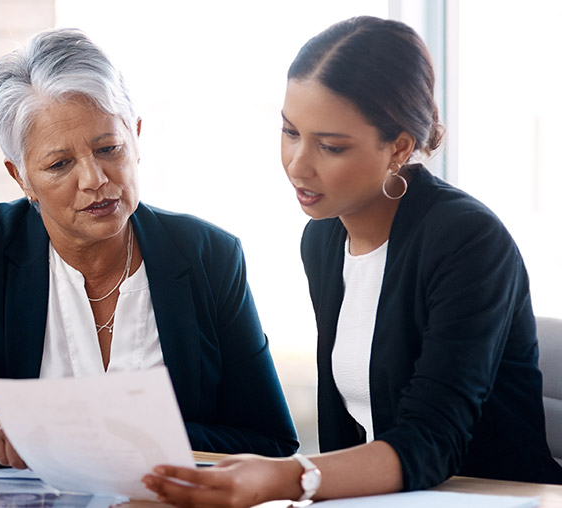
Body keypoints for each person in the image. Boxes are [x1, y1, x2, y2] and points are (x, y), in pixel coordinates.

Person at [143, 16, 562, 507]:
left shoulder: (466, 240)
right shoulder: (322, 240)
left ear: (400, 147)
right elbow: (348, 431)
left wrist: (285, 478)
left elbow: (433, 442)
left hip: (494, 496)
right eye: (289, 131)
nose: (298, 164)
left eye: (331, 146)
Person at [0, 28, 298, 470]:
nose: (95, 179)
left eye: (109, 148)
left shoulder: (210, 255)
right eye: (59, 164)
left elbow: (268, 437)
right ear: (21, 176)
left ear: (136, 136)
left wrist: (131, 439)